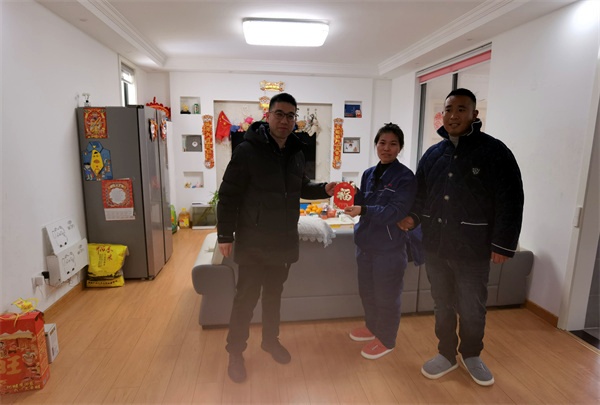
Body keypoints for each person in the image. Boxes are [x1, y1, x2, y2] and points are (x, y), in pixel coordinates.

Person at [398, 88, 524, 386]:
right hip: (436, 247)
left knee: (471, 307)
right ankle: (446, 354)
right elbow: (421, 195)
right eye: (449, 109)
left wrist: (503, 243)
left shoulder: (494, 152)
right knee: (442, 305)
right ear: (442, 114)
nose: (453, 115)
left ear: (474, 114)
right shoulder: (433, 154)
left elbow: (510, 199)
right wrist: (413, 217)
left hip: (473, 250)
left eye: (461, 109)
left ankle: (471, 354)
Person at [216, 92, 336, 383]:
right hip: (254, 241)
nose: (285, 120)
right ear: (267, 116)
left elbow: (299, 186)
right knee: (245, 299)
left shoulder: (296, 151)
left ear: (295, 120)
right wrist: (225, 234)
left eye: (290, 115)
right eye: (279, 114)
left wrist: (324, 190)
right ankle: (235, 351)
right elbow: (228, 194)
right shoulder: (247, 151)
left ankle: (270, 341)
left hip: (283, 241)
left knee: (273, 297)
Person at [343, 123, 417, 360]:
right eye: (382, 143)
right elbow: (365, 201)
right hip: (365, 246)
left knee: (387, 296)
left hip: (390, 249)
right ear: (376, 145)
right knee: (367, 292)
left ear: (400, 148)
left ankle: (386, 339)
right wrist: (348, 192)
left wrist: (363, 209)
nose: (386, 148)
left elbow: (395, 212)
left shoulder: (405, 177)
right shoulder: (368, 174)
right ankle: (372, 327)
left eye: (393, 144)